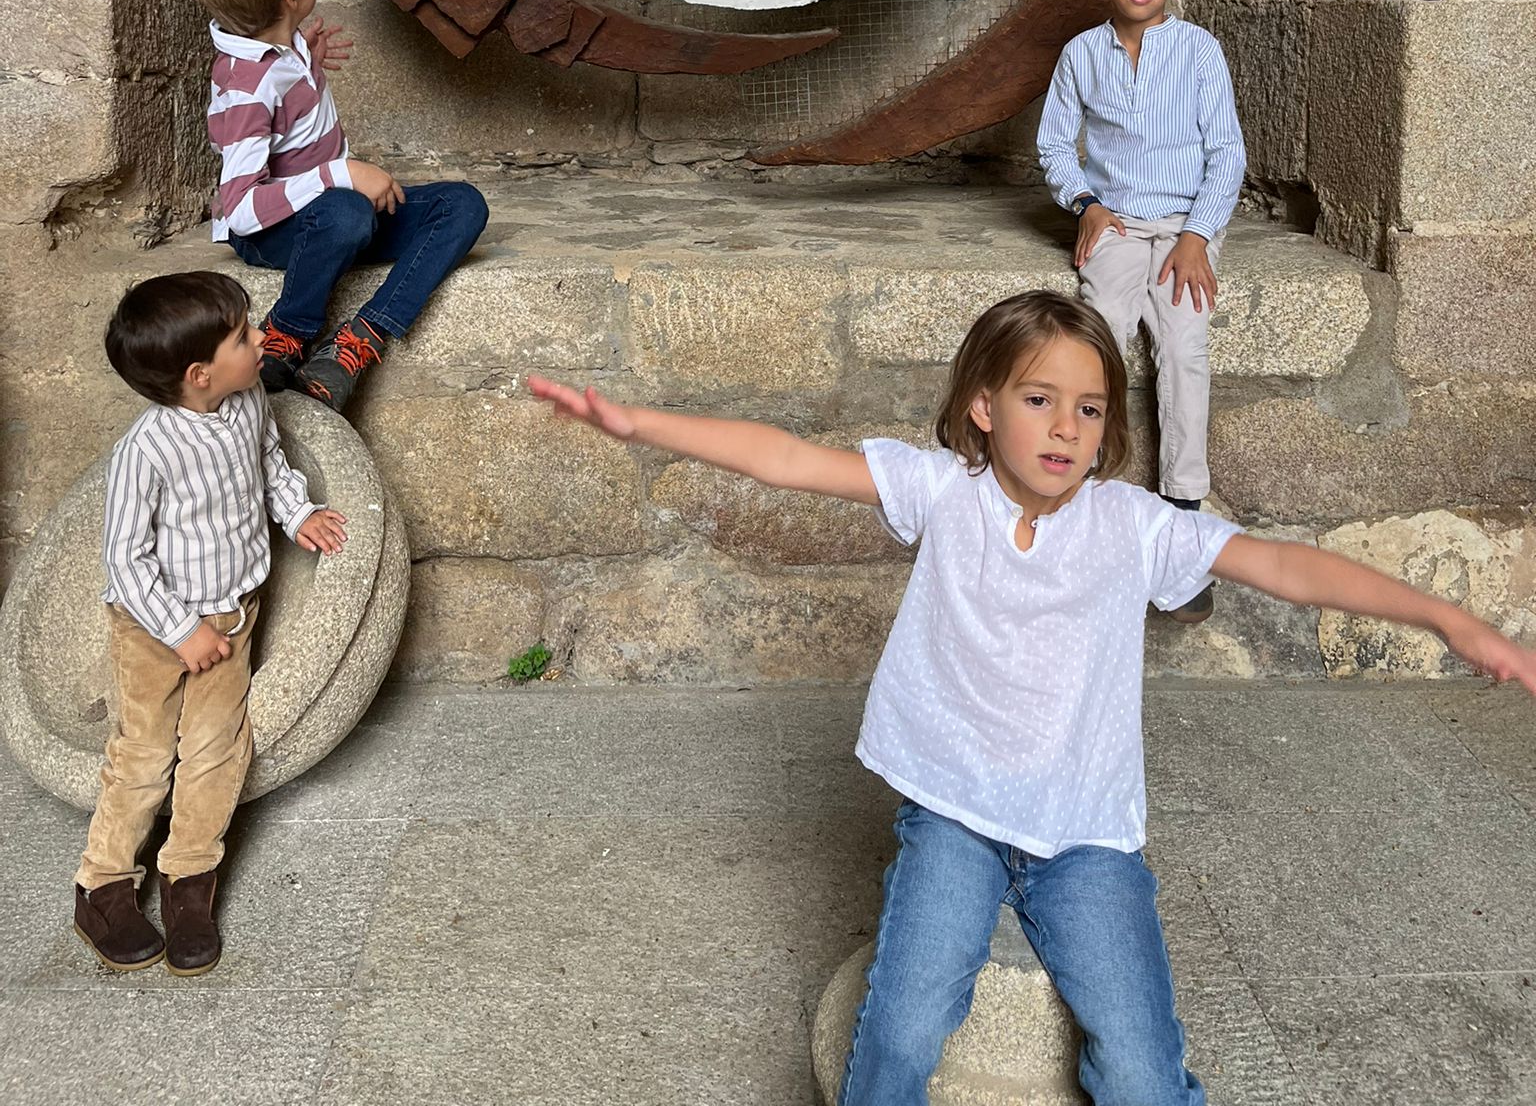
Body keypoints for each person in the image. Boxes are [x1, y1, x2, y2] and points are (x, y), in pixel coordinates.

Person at [528, 291, 1536, 1106]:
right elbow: (787, 458)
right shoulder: (944, 491)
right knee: (905, 1028)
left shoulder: (1131, 525)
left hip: (1085, 832)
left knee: (1142, 1069)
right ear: (982, 405)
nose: (1065, 426)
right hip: (955, 812)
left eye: (1089, 407)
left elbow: (1284, 564)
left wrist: (1447, 617)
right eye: (1039, 398)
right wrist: (636, 422)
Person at [73, 271, 348, 976]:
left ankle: (189, 880)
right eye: (244, 336)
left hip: (231, 611)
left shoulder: (249, 398)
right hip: (151, 628)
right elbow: (126, 560)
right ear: (200, 374)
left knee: (217, 747)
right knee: (143, 752)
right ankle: (103, 884)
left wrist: (298, 513)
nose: (261, 340)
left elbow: (270, 468)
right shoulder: (147, 451)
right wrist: (179, 629)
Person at [187, 0, 490, 411]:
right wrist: (341, 173)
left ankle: (357, 343)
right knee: (347, 211)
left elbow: (288, 117)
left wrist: (306, 61)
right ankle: (286, 334)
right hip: (273, 232)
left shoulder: (281, 47)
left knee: (462, 205)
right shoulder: (247, 86)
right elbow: (240, 208)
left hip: (335, 216)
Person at [1037, 0, 1243, 621]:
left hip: (1189, 226)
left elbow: (1227, 153)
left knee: (1185, 349)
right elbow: (1057, 146)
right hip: (1118, 224)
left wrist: (1198, 235)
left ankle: (1182, 521)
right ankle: (1079, 499)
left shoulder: (1198, 53)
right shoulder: (1082, 55)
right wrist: (1087, 204)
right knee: (1098, 342)